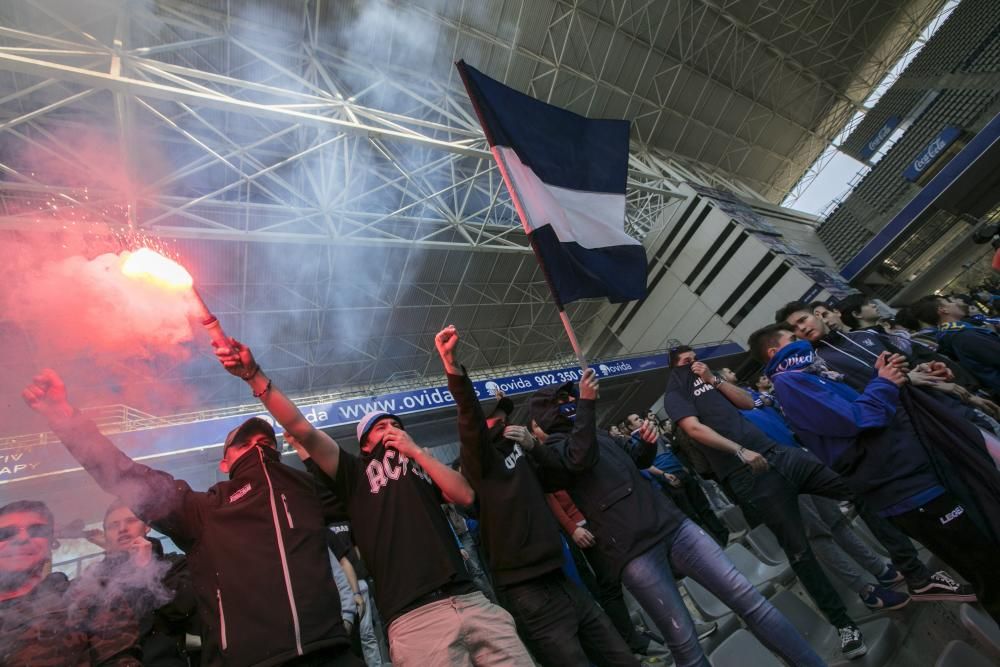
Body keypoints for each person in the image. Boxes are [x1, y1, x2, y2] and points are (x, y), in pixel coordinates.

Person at [213, 338, 532, 667]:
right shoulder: (355, 474)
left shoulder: (421, 468)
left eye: (397, 425)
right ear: (365, 445)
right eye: (381, 427)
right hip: (415, 620)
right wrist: (254, 375)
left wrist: (417, 452)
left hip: (472, 601)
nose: (392, 429)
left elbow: (465, 495)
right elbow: (302, 429)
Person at [21, 370, 358, 666]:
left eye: (266, 442)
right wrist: (66, 420)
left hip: (333, 654)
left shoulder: (306, 492)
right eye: (244, 444)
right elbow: (127, 477)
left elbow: (357, 486)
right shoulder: (204, 509)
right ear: (225, 465)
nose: (257, 447)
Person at [528, 371, 825, 667]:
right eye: (562, 399)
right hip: (634, 552)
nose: (571, 400)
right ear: (547, 413)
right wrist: (588, 406)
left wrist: (645, 445)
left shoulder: (598, 432)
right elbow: (578, 458)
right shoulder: (552, 452)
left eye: (571, 396)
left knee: (750, 600)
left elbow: (637, 460)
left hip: (673, 525)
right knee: (685, 645)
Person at [750, 323, 1000, 622]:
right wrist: (884, 382)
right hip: (902, 486)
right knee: (988, 568)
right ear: (775, 352)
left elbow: (861, 406)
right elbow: (855, 419)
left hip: (911, 473)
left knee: (988, 555)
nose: (801, 339)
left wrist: (883, 375)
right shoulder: (790, 382)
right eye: (793, 338)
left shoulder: (810, 374)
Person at [436, 325, 638, 666]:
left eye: (503, 412)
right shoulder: (478, 461)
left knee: (619, 656)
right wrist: (453, 369)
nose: (504, 417)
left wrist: (535, 448)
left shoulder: (521, 448)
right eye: (496, 413)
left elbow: (560, 476)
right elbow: (470, 421)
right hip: (528, 591)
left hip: (561, 575)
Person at [663, 345, 868, 659]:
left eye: (696, 358)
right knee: (799, 550)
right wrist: (738, 451)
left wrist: (714, 380)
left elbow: (747, 402)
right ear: (675, 366)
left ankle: (911, 571)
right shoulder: (675, 391)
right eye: (687, 361)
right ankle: (843, 624)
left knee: (857, 489)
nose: (694, 364)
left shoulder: (710, 377)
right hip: (745, 471)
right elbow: (693, 428)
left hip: (776, 453)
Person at [0, 500, 141, 665]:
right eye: (6, 533)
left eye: (37, 530)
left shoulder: (90, 597)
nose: (22, 538)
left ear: (51, 542)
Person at [77, 500, 198, 667]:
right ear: (105, 535)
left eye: (131, 521)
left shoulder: (174, 564)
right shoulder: (93, 578)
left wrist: (148, 568)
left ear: (147, 526)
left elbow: (185, 611)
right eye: (113, 526)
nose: (122, 529)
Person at [625, 412, 728, 546]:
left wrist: (683, 467)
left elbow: (668, 452)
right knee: (691, 515)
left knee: (704, 507)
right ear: (630, 427)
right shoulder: (632, 442)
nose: (640, 420)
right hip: (667, 477)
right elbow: (643, 464)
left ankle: (724, 537)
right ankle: (709, 545)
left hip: (680, 471)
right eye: (636, 419)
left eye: (640, 417)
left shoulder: (652, 433)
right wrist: (663, 475)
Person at [913, 294, 1000, 397]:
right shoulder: (963, 336)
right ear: (943, 310)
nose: (955, 303)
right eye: (949, 302)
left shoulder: (953, 333)